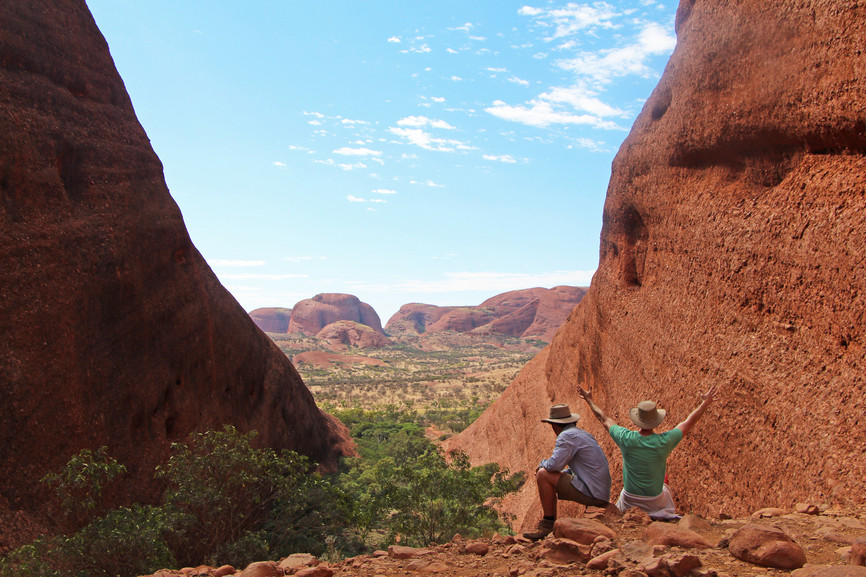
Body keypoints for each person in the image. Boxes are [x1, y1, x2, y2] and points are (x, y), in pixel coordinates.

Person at [578, 385, 717, 520]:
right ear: (656, 420)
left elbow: (604, 419)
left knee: (624, 492)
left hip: (629, 501)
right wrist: (705, 403)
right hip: (656, 501)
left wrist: (589, 400)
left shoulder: (625, 438)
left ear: (637, 419)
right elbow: (688, 422)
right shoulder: (664, 442)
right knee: (664, 479)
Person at [523, 403, 614, 540]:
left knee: (543, 474)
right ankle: (548, 524)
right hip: (600, 491)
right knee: (549, 473)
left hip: (593, 493)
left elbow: (554, 466)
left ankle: (547, 524)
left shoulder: (566, 436)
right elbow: (579, 467)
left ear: (555, 425)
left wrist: (541, 465)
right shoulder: (583, 434)